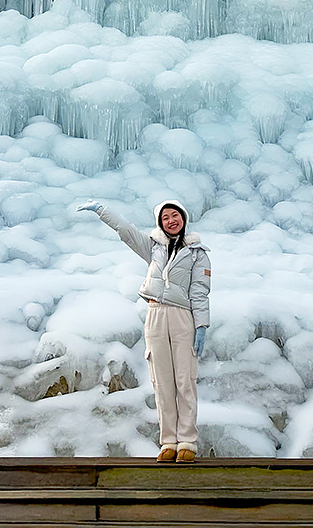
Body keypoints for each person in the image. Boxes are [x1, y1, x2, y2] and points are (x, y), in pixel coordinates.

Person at [78, 197, 210, 462]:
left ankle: (187, 441)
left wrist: (201, 325)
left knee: (184, 381)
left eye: (175, 215)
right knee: (162, 381)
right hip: (155, 315)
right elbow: (126, 231)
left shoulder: (198, 253)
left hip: (182, 317)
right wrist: (102, 210)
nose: (171, 221)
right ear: (160, 223)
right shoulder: (153, 247)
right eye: (165, 217)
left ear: (183, 218)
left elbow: (200, 291)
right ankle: (168, 442)